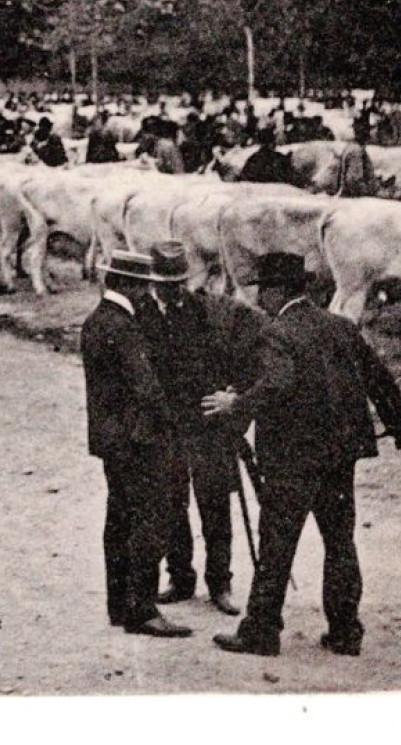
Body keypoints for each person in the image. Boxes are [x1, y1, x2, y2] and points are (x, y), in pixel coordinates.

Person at [205, 252, 401, 657]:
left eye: (262, 290)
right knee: (340, 543)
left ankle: (260, 632)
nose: (259, 299)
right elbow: (379, 378)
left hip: (292, 460)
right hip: (339, 455)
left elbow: (278, 382)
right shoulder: (340, 327)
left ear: (277, 290)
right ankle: (345, 631)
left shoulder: (276, 332)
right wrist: (400, 428)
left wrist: (237, 406)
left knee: (277, 545)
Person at [145, 241, 259, 617]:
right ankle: (180, 577)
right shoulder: (144, 316)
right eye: (166, 283)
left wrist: (233, 393)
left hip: (209, 426)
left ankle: (220, 583)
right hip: (167, 428)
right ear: (153, 283)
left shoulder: (208, 311)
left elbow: (241, 353)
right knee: (170, 504)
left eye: (178, 282)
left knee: (215, 504)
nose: (173, 290)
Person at [81, 251, 191, 638]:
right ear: (131, 285)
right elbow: (146, 388)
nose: (147, 294)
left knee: (120, 521)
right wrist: (175, 424)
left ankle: (120, 605)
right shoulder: (123, 327)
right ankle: (143, 609)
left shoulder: (96, 321)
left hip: (112, 442)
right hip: (140, 441)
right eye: (144, 286)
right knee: (148, 523)